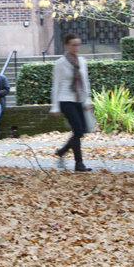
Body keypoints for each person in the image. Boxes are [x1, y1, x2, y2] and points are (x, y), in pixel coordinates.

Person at [50, 33, 94, 172]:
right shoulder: (60, 63)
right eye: (73, 45)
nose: (76, 47)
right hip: (65, 99)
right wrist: (55, 106)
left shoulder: (81, 61)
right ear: (66, 45)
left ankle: (63, 151)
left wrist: (87, 99)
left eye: (78, 44)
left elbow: (85, 82)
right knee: (78, 130)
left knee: (82, 130)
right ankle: (79, 163)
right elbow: (55, 85)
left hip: (79, 99)